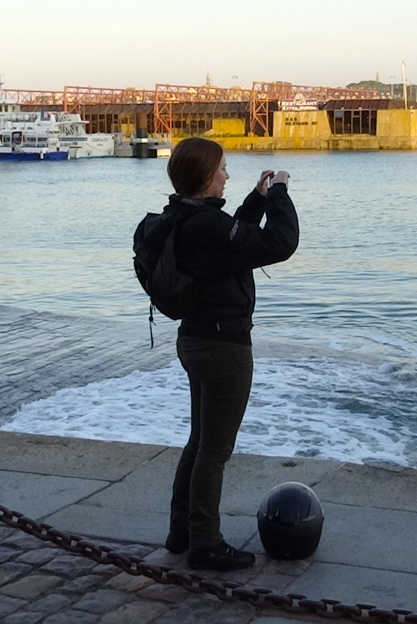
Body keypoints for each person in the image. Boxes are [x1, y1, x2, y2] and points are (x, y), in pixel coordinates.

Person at [158, 137, 298, 571]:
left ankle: (181, 533)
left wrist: (254, 202)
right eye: (222, 169)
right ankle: (206, 544)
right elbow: (279, 244)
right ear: (204, 177)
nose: (227, 175)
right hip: (224, 348)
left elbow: (231, 241)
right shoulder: (206, 226)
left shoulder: (182, 217)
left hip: (195, 340)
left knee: (199, 442)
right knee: (214, 452)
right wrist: (279, 193)